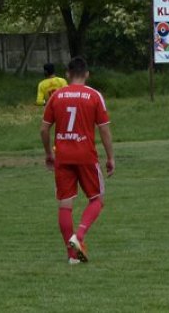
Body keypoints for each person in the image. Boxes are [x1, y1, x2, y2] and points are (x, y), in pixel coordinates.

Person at [40, 57, 114, 264]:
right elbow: (104, 130)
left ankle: (72, 256)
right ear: (87, 74)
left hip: (63, 155)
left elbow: (44, 129)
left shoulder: (56, 96)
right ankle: (78, 237)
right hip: (86, 155)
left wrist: (48, 153)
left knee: (65, 204)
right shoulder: (94, 96)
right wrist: (110, 157)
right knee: (97, 200)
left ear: (67, 74)